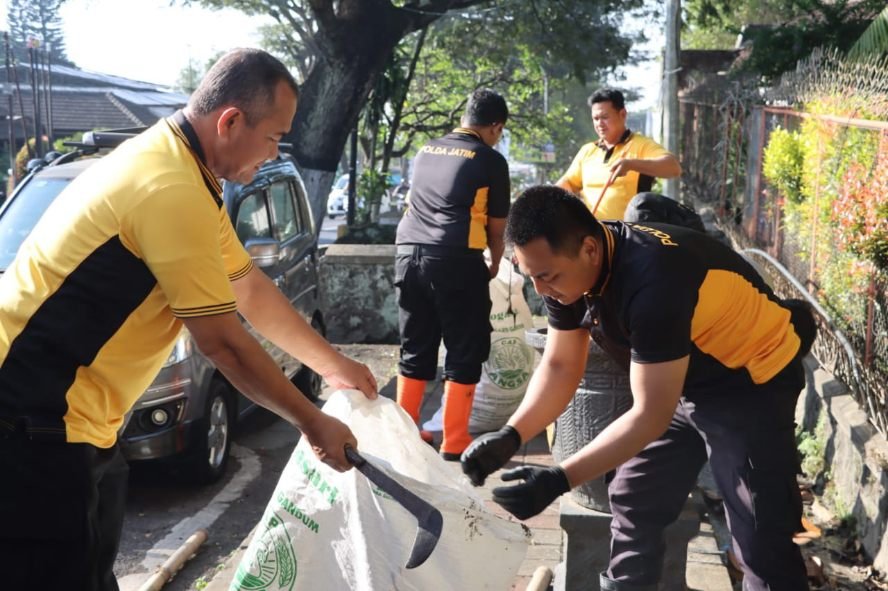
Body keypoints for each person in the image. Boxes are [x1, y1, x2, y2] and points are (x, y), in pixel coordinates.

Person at [0, 48, 377, 591]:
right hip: (29, 419)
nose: (274, 153)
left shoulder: (186, 173)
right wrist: (312, 423)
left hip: (85, 422)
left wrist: (332, 365)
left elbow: (248, 288)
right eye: (273, 137)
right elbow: (223, 343)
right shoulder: (170, 186)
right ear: (231, 121)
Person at [462, 186, 815, 590]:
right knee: (635, 492)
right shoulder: (568, 272)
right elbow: (560, 365)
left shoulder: (654, 280)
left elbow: (650, 414)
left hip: (750, 380)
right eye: (532, 276)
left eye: (546, 277)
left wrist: (559, 479)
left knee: (759, 533)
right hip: (685, 376)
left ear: (590, 249)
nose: (541, 291)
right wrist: (511, 435)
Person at [394, 88, 510, 461]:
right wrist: (495, 262)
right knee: (465, 346)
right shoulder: (490, 159)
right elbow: (497, 227)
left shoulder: (425, 150)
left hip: (407, 254)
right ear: (496, 127)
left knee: (415, 346)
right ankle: (455, 440)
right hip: (455, 257)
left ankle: (406, 433)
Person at [556, 88, 681, 220]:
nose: (599, 124)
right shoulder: (587, 150)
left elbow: (674, 168)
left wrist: (631, 164)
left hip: (628, 230)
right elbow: (568, 183)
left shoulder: (641, 145)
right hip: (591, 230)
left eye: (604, 117)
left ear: (622, 114)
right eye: (595, 119)